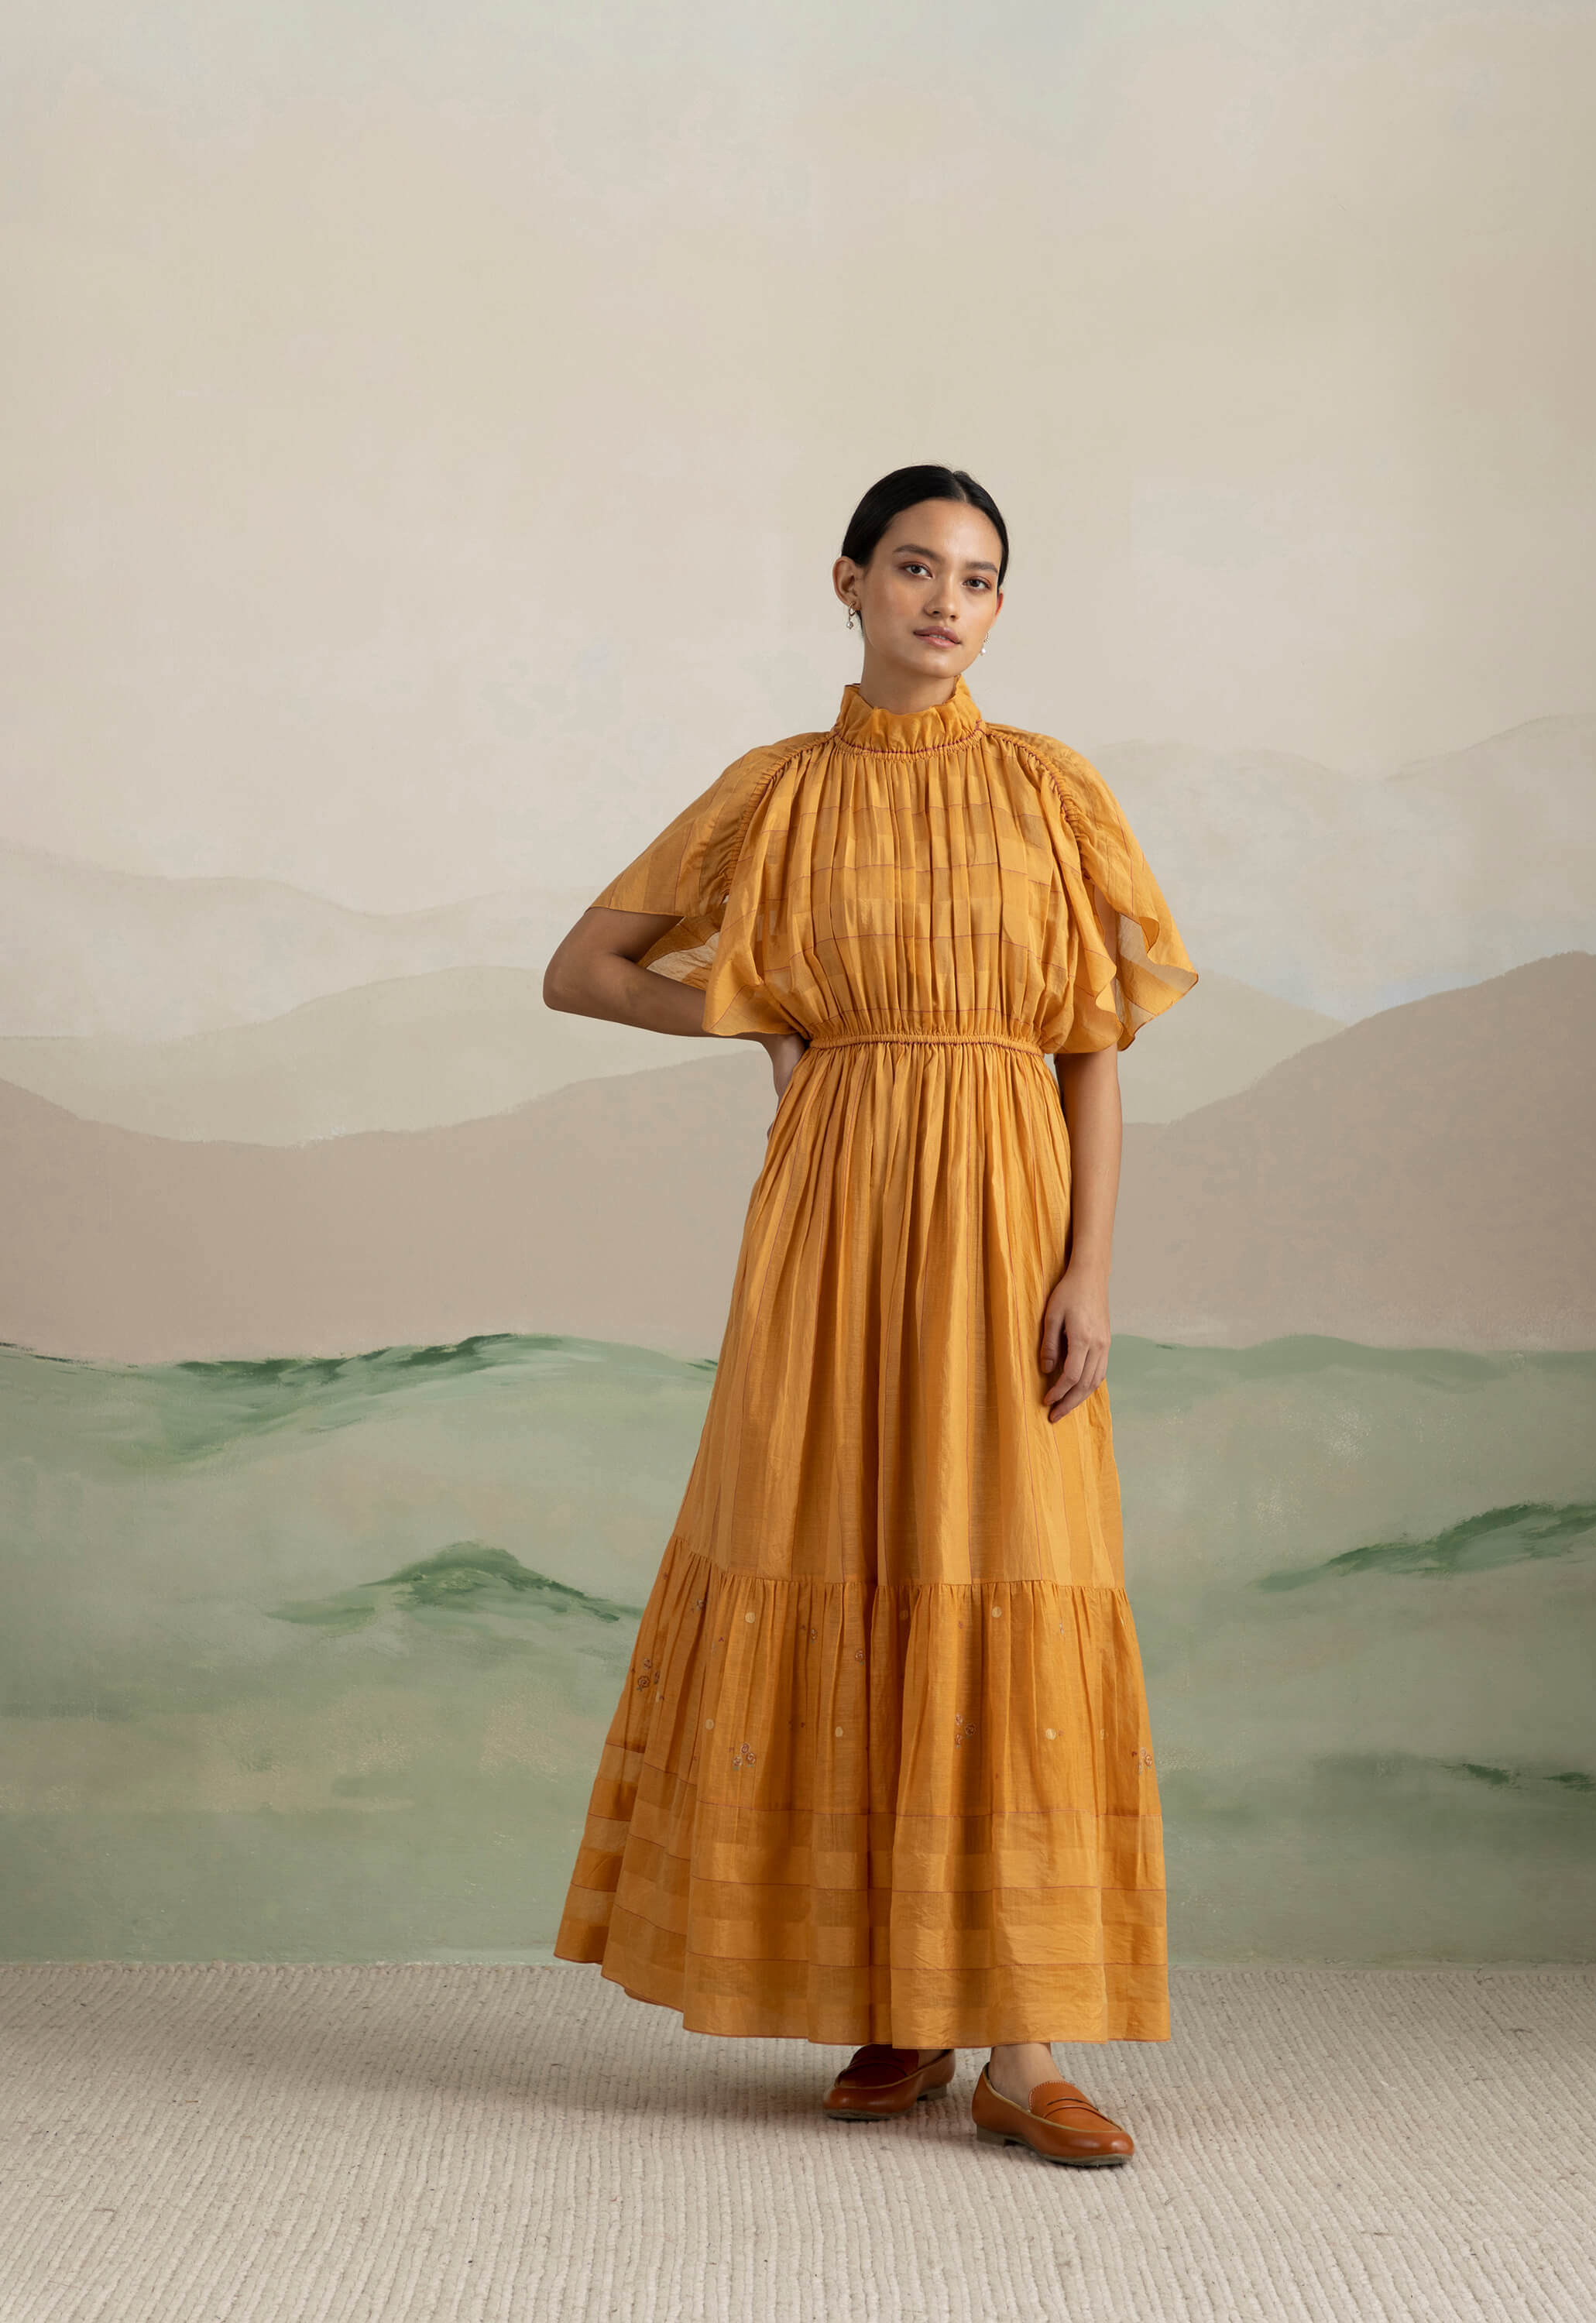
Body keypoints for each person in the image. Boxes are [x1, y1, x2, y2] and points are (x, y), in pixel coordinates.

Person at [543, 465, 1196, 2168]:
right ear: (847, 582)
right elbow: (587, 965)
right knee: (850, 1547)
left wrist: (1090, 1271)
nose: (945, 600)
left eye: (977, 578)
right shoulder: (776, 792)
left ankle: (1023, 2043)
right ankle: (896, 1999)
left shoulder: (1053, 793)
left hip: (1006, 1213)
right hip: (834, 1218)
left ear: (996, 608)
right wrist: (762, 1025)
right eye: (915, 566)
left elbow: (1096, 1051)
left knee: (1009, 1565)